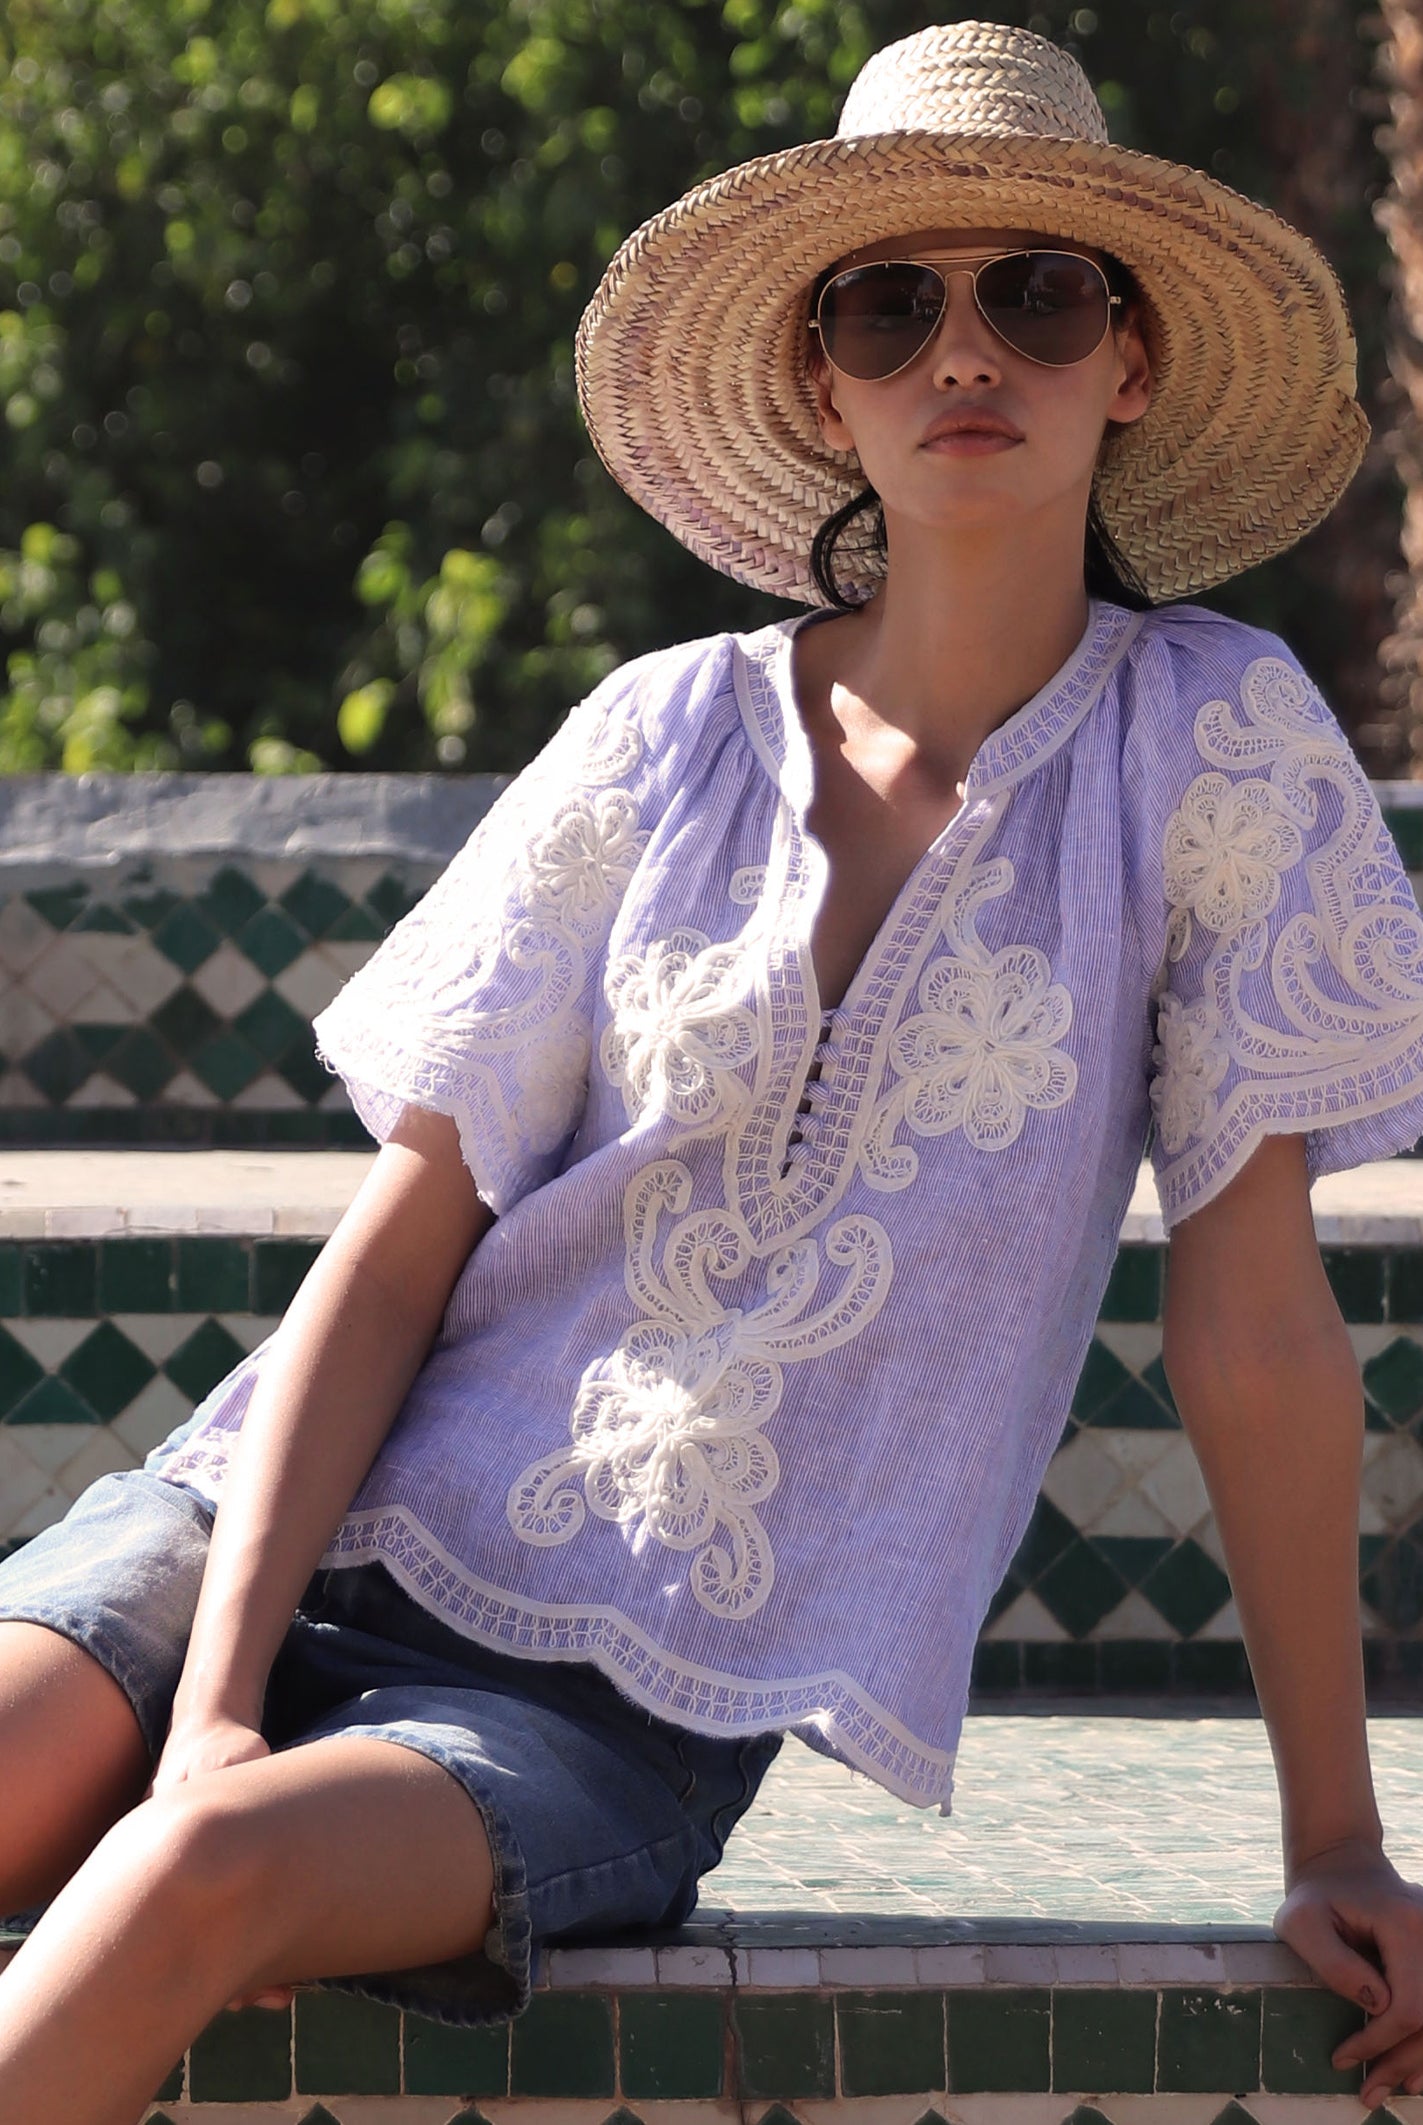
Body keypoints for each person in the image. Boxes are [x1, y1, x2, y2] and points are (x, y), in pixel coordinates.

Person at [1, 18, 1423, 2119]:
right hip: (249, 1537)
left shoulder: (1214, 746)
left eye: (1037, 294)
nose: (964, 352)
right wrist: (216, 1690)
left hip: (613, 1702)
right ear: (821, 383)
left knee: (185, 1875)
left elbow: (1256, 1333)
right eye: (888, 306)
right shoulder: (659, 734)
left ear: (1126, 361)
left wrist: (1335, 1836)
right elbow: (398, 1246)